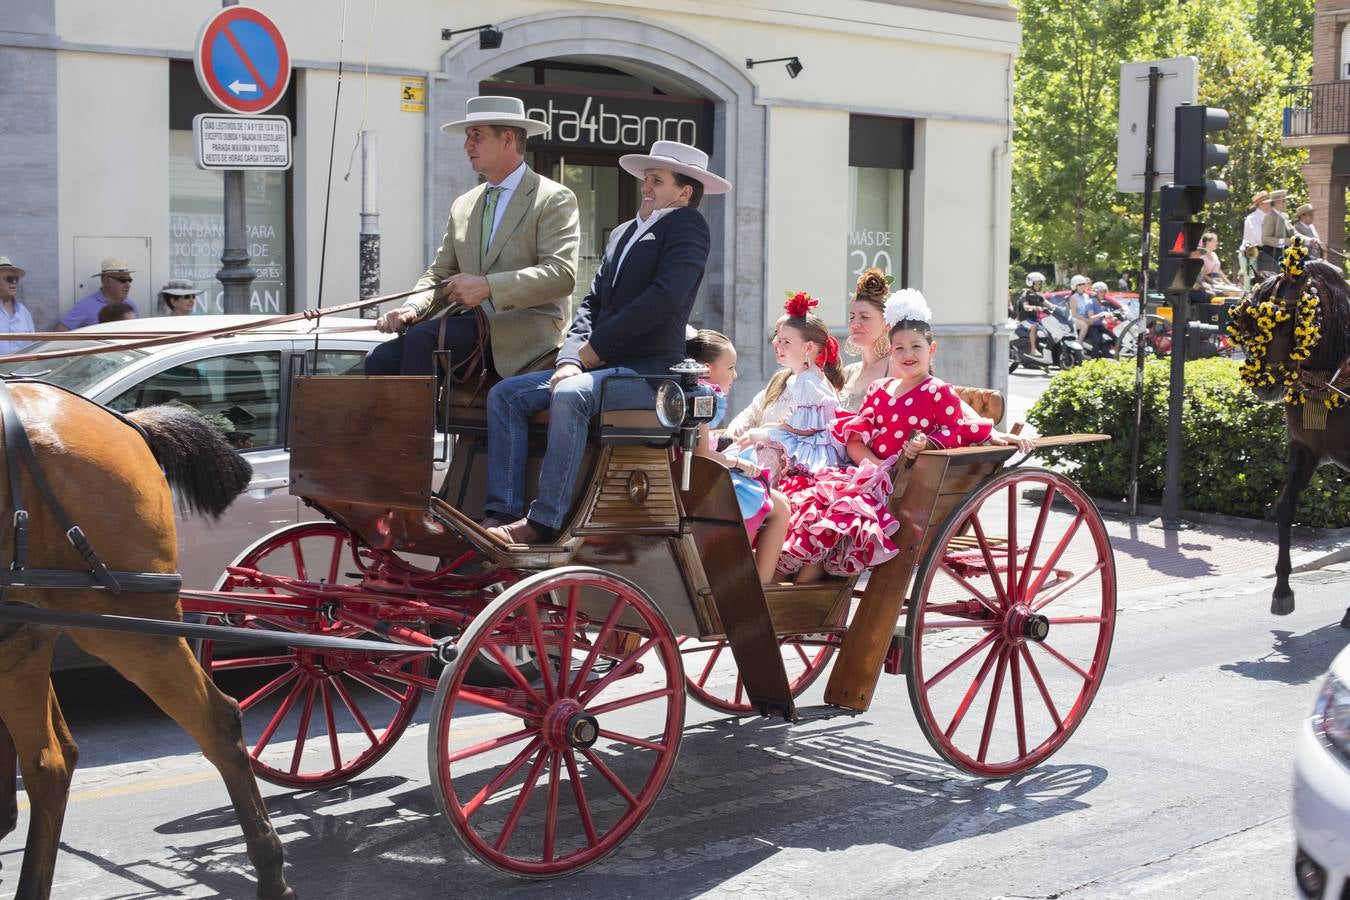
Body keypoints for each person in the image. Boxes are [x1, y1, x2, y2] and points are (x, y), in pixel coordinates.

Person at [482, 140, 729, 545]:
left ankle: (544, 522)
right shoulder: (622, 233)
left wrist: (593, 352)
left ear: (685, 193)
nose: (646, 187)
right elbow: (592, 302)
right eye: (646, 179)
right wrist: (569, 359)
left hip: (648, 374)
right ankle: (501, 513)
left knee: (572, 396)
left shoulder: (686, 225)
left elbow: (663, 297)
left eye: (657, 181)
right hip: (598, 367)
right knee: (506, 395)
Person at [777, 290, 1032, 582]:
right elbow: (856, 436)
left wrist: (946, 439)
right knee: (809, 509)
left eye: (916, 347)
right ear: (890, 350)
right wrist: (873, 466)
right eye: (899, 348)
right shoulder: (879, 388)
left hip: (902, 489)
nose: (907, 355)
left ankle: (810, 611)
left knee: (835, 519)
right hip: (868, 476)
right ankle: (800, 604)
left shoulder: (937, 390)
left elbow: (955, 428)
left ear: (931, 349)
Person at [365, 96, 580, 381]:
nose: (467, 146)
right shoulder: (464, 204)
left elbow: (561, 276)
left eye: (476, 136)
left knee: (422, 339)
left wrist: (488, 287)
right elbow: (441, 273)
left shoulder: (553, 198)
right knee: (378, 360)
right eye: (468, 137)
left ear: (507, 140)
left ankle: (413, 427)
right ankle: (396, 427)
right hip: (468, 329)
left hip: (524, 334)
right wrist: (411, 308)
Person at [687, 329, 790, 584]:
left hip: (689, 477)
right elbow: (701, 456)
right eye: (730, 367)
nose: (735, 375)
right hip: (696, 483)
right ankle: (759, 588)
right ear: (707, 369)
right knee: (781, 506)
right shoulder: (702, 394)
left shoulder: (684, 391)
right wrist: (739, 463)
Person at [730, 292, 844, 485]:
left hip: (810, 459)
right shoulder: (791, 379)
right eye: (778, 337)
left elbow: (805, 430)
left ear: (808, 348)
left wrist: (766, 433)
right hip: (796, 451)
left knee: (764, 455)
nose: (777, 344)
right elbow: (754, 412)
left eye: (786, 341)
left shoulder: (809, 381)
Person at [839, 267, 892, 411]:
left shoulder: (895, 368)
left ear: (886, 323)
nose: (855, 324)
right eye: (851, 317)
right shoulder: (848, 372)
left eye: (864, 317)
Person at [60, 257, 137, 330]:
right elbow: (59, 335)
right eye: (123, 280)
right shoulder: (85, 306)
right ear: (107, 281)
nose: (128, 285)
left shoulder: (130, 304)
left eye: (129, 280)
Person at [0, 257, 35, 355]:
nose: (14, 282)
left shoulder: (23, 312)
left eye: (16, 279)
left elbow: (32, 344)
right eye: (9, 279)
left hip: (21, 369)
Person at [1016, 271, 1052, 359]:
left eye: (1040, 284)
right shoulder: (1026, 294)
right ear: (1031, 283)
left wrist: (1056, 307)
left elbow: (1048, 303)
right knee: (1034, 326)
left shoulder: (1038, 295)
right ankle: (1033, 350)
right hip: (1024, 319)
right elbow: (1025, 306)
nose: (1039, 285)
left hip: (1035, 319)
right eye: (1037, 284)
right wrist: (1035, 307)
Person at [1242, 191, 1270, 286]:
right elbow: (1260, 238)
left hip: (1263, 256)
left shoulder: (1268, 217)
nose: (1271, 204)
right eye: (1268, 201)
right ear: (1261, 204)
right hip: (1250, 255)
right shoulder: (1252, 218)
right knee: (1250, 285)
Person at [1260, 190, 1293, 272]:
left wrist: (1306, 240)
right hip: (1273, 254)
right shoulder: (1270, 216)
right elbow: (1265, 238)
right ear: (1277, 202)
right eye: (1284, 201)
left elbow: (1293, 231)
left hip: (1286, 251)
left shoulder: (1285, 216)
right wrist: (1283, 241)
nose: (1286, 203)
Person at [1067, 275, 1097, 341]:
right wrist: (1086, 320)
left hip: (1085, 318)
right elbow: (1074, 314)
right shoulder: (1073, 298)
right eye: (1079, 285)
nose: (1082, 286)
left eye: (1083, 284)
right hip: (1075, 319)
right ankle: (1079, 344)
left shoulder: (1086, 296)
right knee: (1084, 325)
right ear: (1075, 286)